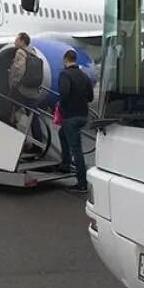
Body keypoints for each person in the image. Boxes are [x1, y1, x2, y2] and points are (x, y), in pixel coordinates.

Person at [56, 49, 94, 192]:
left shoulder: (65, 74)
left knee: (76, 149)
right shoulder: (84, 76)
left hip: (70, 115)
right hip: (83, 115)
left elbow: (64, 94)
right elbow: (90, 97)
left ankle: (82, 182)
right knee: (62, 134)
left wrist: (62, 106)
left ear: (65, 60)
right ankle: (65, 165)